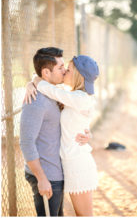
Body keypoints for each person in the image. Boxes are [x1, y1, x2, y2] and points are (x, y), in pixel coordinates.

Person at [20, 47, 91, 216]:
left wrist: (87, 134)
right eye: (60, 67)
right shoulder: (35, 100)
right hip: (47, 176)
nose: (65, 70)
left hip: (57, 172)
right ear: (46, 72)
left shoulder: (55, 93)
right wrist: (41, 178)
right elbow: (26, 143)